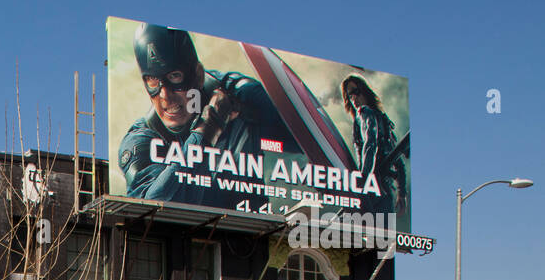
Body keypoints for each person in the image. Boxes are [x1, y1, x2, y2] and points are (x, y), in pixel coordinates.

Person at [118, 23, 299, 210]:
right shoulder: (140, 141)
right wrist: (208, 129)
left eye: (174, 76)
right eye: (153, 81)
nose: (165, 96)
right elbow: (151, 206)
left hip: (250, 233)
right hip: (189, 235)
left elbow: (304, 140)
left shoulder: (240, 95)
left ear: (197, 75)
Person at [341, 75, 407, 217]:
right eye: (349, 95)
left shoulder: (364, 113)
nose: (353, 98)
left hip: (373, 190)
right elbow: (397, 158)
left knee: (366, 236)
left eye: (356, 92)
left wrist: (364, 181)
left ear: (364, 91)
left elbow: (370, 145)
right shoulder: (382, 119)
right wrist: (402, 193)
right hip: (385, 191)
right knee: (383, 238)